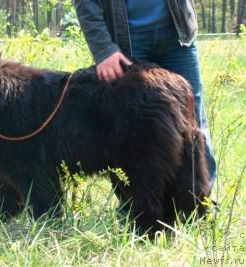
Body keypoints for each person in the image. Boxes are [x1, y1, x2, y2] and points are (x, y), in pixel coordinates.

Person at [74, 0, 216, 207]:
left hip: (177, 36)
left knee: (193, 125)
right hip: (126, 43)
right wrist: (103, 49)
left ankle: (197, 206)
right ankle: (136, 212)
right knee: (129, 135)